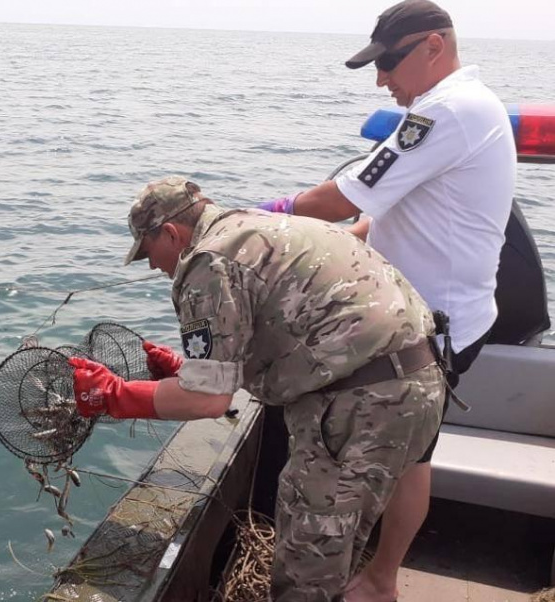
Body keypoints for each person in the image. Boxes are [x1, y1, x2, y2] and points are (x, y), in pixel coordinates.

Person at [70, 176, 445, 602]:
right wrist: (183, 368)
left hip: (363, 404)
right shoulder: (258, 226)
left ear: (171, 234)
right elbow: (291, 329)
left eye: (149, 253)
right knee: (341, 538)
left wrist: (113, 396)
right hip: (419, 379)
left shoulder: (207, 262)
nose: (154, 266)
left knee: (310, 561)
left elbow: (209, 399)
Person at [259, 2, 516, 599]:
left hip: (433, 327)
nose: (382, 80)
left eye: (389, 64)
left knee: (406, 460)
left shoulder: (447, 111)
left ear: (433, 45)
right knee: (412, 457)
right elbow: (384, 214)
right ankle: (378, 575)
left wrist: (260, 217)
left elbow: (346, 196)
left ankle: (379, 579)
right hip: (432, 315)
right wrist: (336, 245)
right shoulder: (454, 106)